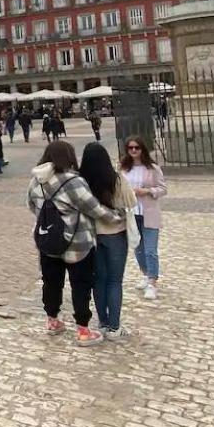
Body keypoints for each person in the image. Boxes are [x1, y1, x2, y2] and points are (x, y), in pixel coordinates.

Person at [27, 141, 121, 347]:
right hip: (77, 243)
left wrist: (53, 223)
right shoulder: (72, 181)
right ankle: (83, 331)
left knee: (51, 282)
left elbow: (32, 206)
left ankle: (53, 321)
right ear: (69, 156)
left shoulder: (36, 180)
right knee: (80, 284)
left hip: (48, 242)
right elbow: (93, 208)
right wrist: (115, 217)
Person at [79, 142, 141, 341]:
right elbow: (132, 201)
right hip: (115, 233)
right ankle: (115, 326)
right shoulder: (116, 179)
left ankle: (103, 323)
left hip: (93, 235)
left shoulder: (81, 182)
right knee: (115, 280)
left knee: (99, 280)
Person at [119, 136, 166, 300]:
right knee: (138, 248)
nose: (133, 151)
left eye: (136, 148)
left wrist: (147, 191)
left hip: (148, 212)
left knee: (150, 250)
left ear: (142, 149)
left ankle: (153, 282)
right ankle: (146, 274)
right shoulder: (123, 169)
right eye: (130, 148)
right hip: (131, 213)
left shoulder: (152, 168)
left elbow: (162, 188)